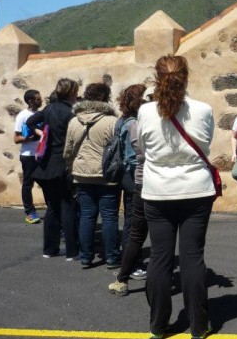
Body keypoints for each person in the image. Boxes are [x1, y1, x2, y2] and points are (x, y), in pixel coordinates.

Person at [138, 55, 216, 339]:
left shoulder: (145, 112)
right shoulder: (204, 109)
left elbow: (143, 150)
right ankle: (198, 325)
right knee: (193, 257)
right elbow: (206, 144)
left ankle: (158, 325)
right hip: (196, 189)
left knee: (160, 257)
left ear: (156, 78)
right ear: (187, 76)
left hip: (158, 191)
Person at [64, 82, 120, 269]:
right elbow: (117, 150)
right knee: (109, 217)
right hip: (107, 175)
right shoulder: (112, 122)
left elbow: (68, 151)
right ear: (105, 98)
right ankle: (112, 257)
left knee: (87, 216)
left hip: (81, 174)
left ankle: (86, 256)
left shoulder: (74, 121)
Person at [26, 79, 79, 260]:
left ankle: (49, 249)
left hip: (46, 165)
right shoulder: (70, 113)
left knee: (52, 208)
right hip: (63, 164)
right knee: (68, 207)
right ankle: (72, 251)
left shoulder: (48, 109)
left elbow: (31, 120)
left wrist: (42, 133)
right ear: (72, 93)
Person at [109, 84, 149, 296]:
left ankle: (130, 261)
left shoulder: (121, 119)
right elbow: (135, 156)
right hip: (134, 175)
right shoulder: (134, 123)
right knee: (134, 224)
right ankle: (133, 265)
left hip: (125, 174)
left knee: (131, 221)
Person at [13, 89, 44, 224]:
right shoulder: (22, 116)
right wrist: (30, 139)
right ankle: (30, 212)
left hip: (42, 154)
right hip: (28, 155)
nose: (41, 100)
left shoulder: (43, 114)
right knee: (28, 184)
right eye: (38, 98)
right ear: (30, 101)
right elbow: (16, 138)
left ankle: (54, 210)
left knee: (47, 183)